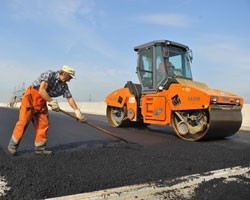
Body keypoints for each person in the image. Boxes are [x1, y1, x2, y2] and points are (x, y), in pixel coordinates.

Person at [8, 65, 87, 155]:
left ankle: (40, 148)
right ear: (64, 73)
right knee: (24, 121)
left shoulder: (64, 86)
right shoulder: (49, 74)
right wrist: (52, 101)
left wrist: (77, 111)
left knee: (43, 123)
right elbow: (41, 90)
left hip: (41, 101)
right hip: (31, 97)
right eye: (69, 77)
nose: (69, 80)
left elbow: (69, 98)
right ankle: (12, 146)